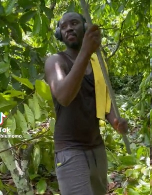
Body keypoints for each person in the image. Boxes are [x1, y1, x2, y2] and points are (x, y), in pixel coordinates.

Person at [44, 12, 128, 195]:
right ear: (60, 34)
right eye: (63, 26)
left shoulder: (96, 62)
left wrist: (116, 122)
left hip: (96, 148)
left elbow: (104, 99)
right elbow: (64, 96)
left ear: (86, 27)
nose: (69, 28)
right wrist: (85, 51)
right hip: (70, 151)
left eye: (74, 23)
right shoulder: (56, 61)